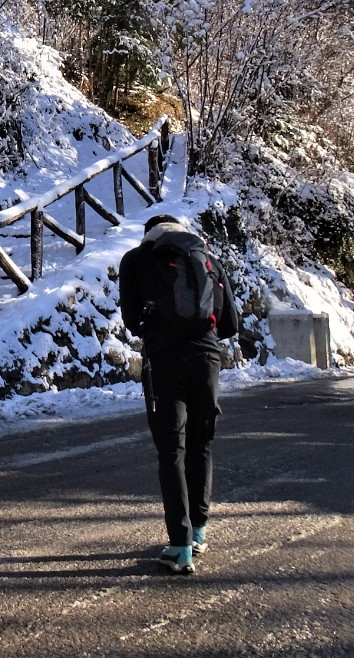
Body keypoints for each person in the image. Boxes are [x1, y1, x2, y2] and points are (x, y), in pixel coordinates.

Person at [119, 214, 240, 575]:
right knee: (201, 444)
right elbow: (230, 323)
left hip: (165, 363)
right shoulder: (208, 259)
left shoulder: (136, 259)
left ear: (149, 235)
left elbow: (129, 318)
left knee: (171, 450)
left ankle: (179, 545)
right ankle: (199, 531)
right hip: (207, 362)